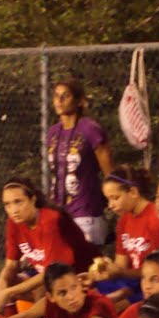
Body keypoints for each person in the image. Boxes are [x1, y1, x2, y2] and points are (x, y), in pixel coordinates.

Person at [0, 179, 99, 309]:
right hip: (49, 274)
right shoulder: (13, 222)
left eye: (18, 202)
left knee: (41, 290)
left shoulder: (50, 220)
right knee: (9, 282)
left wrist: (8, 292)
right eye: (7, 204)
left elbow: (52, 271)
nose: (13, 210)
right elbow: (11, 265)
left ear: (33, 199)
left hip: (81, 274)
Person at [46, 78, 114, 244]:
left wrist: (113, 198)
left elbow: (109, 171)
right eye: (56, 96)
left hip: (85, 212)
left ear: (79, 101)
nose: (59, 101)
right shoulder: (53, 132)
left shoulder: (90, 129)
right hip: (60, 212)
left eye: (66, 96)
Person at [98, 165, 159, 302]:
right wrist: (105, 270)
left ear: (133, 192)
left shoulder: (156, 219)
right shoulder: (124, 220)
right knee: (91, 291)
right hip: (130, 281)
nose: (110, 205)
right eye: (108, 199)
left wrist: (120, 273)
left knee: (115, 301)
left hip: (150, 284)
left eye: (115, 198)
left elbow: (158, 271)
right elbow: (121, 265)